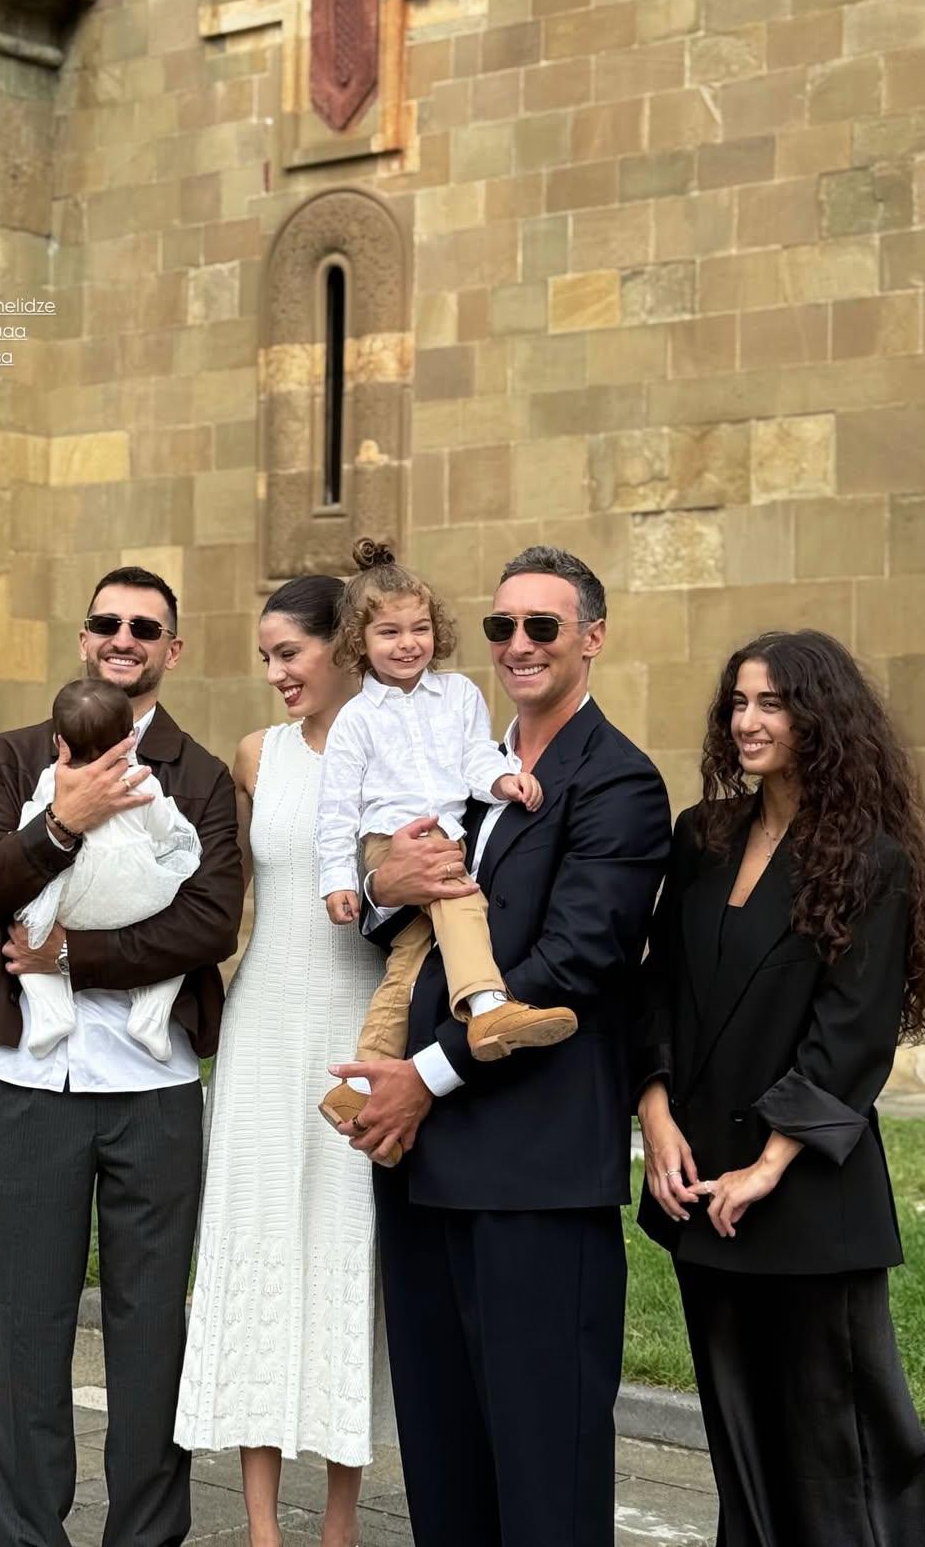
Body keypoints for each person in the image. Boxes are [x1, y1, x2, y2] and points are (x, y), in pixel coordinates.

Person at [333, 545, 672, 1547]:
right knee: (444, 1466)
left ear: (592, 638)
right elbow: (406, 913)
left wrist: (424, 1075)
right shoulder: (464, 761)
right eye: (501, 626)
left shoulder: (617, 780)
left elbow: (574, 958)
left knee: (543, 1471)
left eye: (542, 626)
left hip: (532, 1172)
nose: (518, 644)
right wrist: (381, 886)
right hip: (422, 1167)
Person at [0, 564, 243, 1547]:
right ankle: (27, 1534)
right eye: (107, 622)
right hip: (32, 1084)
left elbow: (209, 919)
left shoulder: (200, 775)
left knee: (151, 1330)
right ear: (84, 639)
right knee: (29, 1328)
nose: (124, 637)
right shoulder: (13, 755)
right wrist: (61, 822)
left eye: (145, 627)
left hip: (156, 1090)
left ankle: (146, 1536)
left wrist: (74, 954)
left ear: (172, 649)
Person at [634, 629, 925, 1546]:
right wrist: (655, 1116)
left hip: (806, 1198)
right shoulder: (703, 834)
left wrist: (767, 1165)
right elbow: (658, 984)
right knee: (742, 1447)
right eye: (740, 702)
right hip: (699, 1188)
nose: (749, 721)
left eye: (774, 703)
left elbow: (852, 1031)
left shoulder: (872, 857)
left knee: (841, 1454)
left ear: (821, 717)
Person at [174, 575, 389, 1547]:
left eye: (288, 652)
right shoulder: (256, 753)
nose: (274, 672)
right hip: (262, 1025)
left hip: (358, 1020)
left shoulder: (396, 745)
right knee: (256, 1245)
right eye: (265, 655)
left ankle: (339, 1527)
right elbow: (215, 887)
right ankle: (262, 1529)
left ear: (341, 645)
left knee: (348, 1248)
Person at [317, 539, 576, 1152]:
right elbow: (335, 809)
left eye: (420, 629)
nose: (408, 644)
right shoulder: (355, 719)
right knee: (463, 901)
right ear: (359, 641)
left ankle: (357, 1086)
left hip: (449, 832)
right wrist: (338, 881)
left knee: (407, 964)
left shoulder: (459, 694)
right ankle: (486, 1007)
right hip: (392, 841)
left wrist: (502, 779)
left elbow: (474, 757)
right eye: (389, 633)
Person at [15, 678, 201, 1062]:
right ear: (129, 739)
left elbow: (29, 830)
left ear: (59, 742)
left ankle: (51, 1013)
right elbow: (164, 828)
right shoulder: (141, 780)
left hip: (71, 903)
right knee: (175, 944)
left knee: (27, 930)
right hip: (138, 900)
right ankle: (151, 1015)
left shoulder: (52, 779)